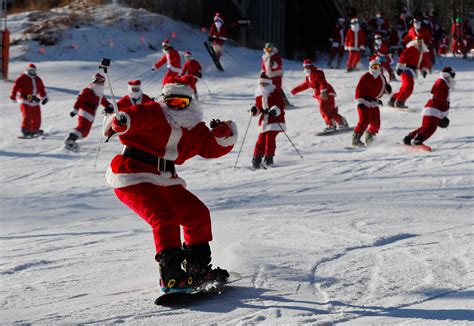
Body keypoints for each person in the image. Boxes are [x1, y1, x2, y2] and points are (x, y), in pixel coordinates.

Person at [103, 75, 238, 293]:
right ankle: (172, 277)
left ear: (190, 102)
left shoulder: (194, 127)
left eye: (181, 103)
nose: (175, 107)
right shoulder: (153, 112)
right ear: (164, 99)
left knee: (197, 214)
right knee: (164, 218)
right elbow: (132, 118)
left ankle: (198, 268)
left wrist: (224, 135)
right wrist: (122, 122)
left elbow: (211, 147)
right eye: (171, 101)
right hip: (133, 175)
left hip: (165, 179)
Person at [291, 59, 348, 132]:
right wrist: (294, 90)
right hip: (323, 94)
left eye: (308, 66)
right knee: (329, 111)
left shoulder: (317, 73)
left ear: (311, 66)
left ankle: (331, 125)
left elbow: (322, 82)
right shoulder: (309, 76)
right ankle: (341, 122)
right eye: (305, 67)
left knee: (323, 110)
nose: (306, 68)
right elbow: (305, 85)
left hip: (326, 94)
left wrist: (323, 91)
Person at [403, 67, 455, 146]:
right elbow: (439, 98)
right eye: (452, 76)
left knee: (425, 127)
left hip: (433, 109)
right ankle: (418, 140)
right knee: (430, 128)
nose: (453, 79)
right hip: (434, 109)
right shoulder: (441, 83)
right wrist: (444, 111)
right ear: (448, 75)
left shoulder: (443, 83)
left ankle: (409, 137)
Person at [65, 73, 112, 150]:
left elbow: (104, 102)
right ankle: (70, 139)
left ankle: (72, 139)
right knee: (83, 127)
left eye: (101, 81)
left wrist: (110, 107)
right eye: (96, 80)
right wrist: (75, 109)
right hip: (84, 110)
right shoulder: (88, 90)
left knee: (85, 132)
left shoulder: (99, 93)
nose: (98, 83)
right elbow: (80, 100)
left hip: (92, 113)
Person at [352, 56, 391, 147]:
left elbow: (382, 88)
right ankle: (356, 139)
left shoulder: (381, 77)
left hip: (374, 103)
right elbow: (359, 90)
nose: (376, 69)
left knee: (376, 123)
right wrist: (360, 102)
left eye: (377, 67)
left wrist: (387, 88)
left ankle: (370, 137)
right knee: (364, 121)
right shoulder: (365, 77)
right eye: (374, 67)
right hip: (363, 102)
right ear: (370, 67)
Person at [250, 72, 286, 169]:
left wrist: (275, 110)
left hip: (275, 120)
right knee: (260, 140)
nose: (263, 86)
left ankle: (268, 159)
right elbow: (258, 107)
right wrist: (255, 110)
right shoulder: (260, 95)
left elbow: (281, 104)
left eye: (265, 84)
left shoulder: (274, 92)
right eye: (261, 84)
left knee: (269, 139)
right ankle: (256, 159)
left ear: (269, 84)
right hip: (264, 121)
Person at [389, 37, 431, 109]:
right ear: (415, 40)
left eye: (421, 41)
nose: (419, 42)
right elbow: (403, 56)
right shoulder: (412, 48)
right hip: (406, 69)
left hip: (413, 71)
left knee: (404, 88)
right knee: (409, 86)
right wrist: (400, 67)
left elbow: (424, 63)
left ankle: (393, 99)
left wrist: (424, 70)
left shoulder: (422, 52)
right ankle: (400, 101)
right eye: (418, 40)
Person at [10, 63, 48, 138]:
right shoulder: (23, 77)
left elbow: (42, 89)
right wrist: (13, 96)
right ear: (27, 70)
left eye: (33, 70)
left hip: (34, 99)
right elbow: (15, 87)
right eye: (30, 70)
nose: (32, 72)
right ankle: (25, 130)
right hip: (25, 98)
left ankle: (35, 129)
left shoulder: (38, 79)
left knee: (37, 116)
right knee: (27, 115)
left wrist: (44, 97)